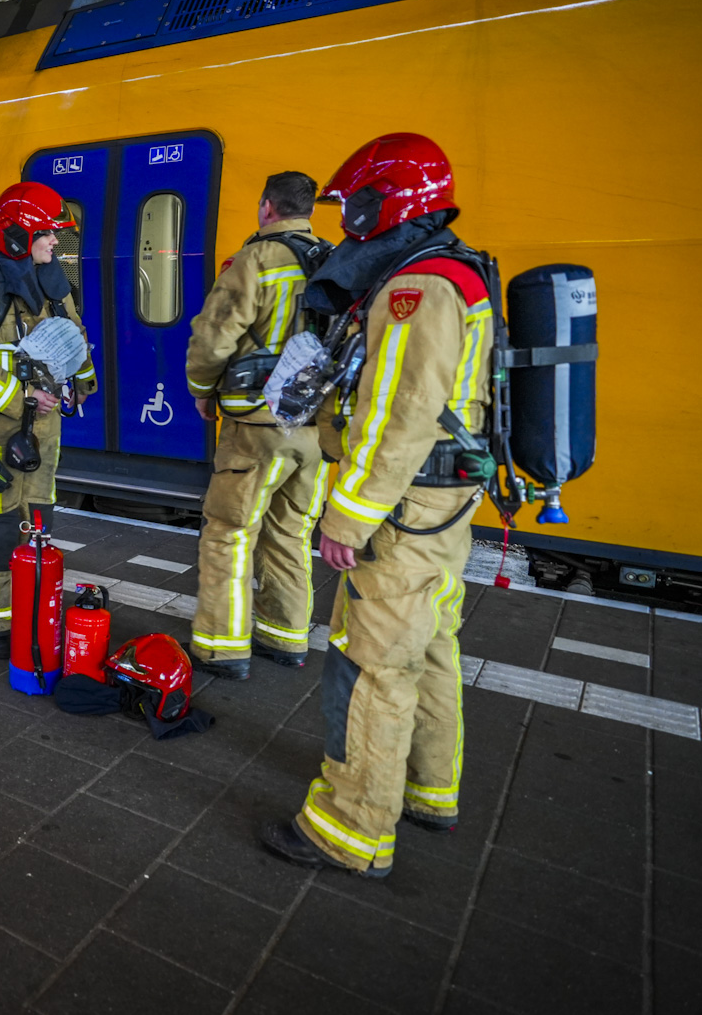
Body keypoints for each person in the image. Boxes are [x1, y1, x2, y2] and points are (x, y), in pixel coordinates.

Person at [260, 134, 493, 879]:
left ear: (386, 202)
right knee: (430, 648)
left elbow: (400, 412)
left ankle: (349, 828)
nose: (349, 223)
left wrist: (348, 516)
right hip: (443, 503)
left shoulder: (414, 287)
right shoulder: (458, 268)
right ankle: (431, 789)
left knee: (371, 667)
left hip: (401, 508)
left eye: (357, 205)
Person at [184, 171, 330, 679]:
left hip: (259, 424)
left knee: (228, 532)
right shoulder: (333, 260)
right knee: (290, 533)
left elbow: (214, 337)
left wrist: (203, 391)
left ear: (268, 206)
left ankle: (220, 649)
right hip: (317, 429)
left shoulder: (257, 261)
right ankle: (286, 638)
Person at [0, 182, 96, 658]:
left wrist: (82, 384)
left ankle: (29, 605)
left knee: (36, 522)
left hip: (44, 431)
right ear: (17, 235)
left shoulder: (51, 284)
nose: (55, 242)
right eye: (48, 234)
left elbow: (74, 338)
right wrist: (23, 399)